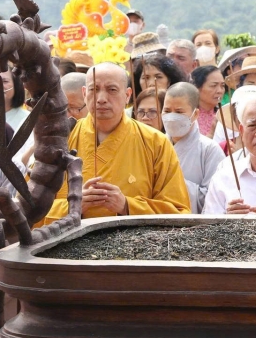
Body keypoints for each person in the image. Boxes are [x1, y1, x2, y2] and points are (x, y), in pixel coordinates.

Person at [42, 63, 191, 222]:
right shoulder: (60, 141)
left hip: (133, 245)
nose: (101, 99)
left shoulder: (155, 142)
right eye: (94, 89)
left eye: (112, 90)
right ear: (84, 93)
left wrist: (127, 206)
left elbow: (178, 212)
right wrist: (72, 206)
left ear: (127, 95)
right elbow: (30, 208)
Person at [162, 82, 225, 213]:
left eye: (179, 112)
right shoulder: (155, 145)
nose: (171, 117)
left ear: (195, 114)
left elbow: (215, 199)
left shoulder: (210, 150)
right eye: (167, 111)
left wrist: (171, 184)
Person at [190, 65, 226, 138]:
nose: (220, 91)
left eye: (222, 86)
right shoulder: (189, 117)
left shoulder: (225, 115)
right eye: (213, 86)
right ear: (197, 87)